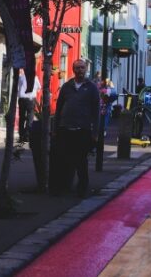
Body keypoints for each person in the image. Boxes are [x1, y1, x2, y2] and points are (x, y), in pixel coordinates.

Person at [53, 59, 100, 198]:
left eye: (82, 68)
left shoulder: (91, 87)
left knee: (81, 160)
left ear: (86, 69)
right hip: (66, 128)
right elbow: (59, 108)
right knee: (65, 159)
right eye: (77, 68)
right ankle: (65, 186)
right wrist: (56, 128)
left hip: (83, 129)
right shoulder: (67, 86)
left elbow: (96, 111)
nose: (80, 70)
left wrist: (95, 132)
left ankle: (82, 187)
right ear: (73, 70)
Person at [17, 69, 41, 143]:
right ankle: (27, 135)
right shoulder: (35, 78)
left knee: (22, 118)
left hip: (22, 99)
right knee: (29, 118)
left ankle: (21, 136)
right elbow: (39, 88)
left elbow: (17, 87)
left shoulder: (21, 77)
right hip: (30, 100)